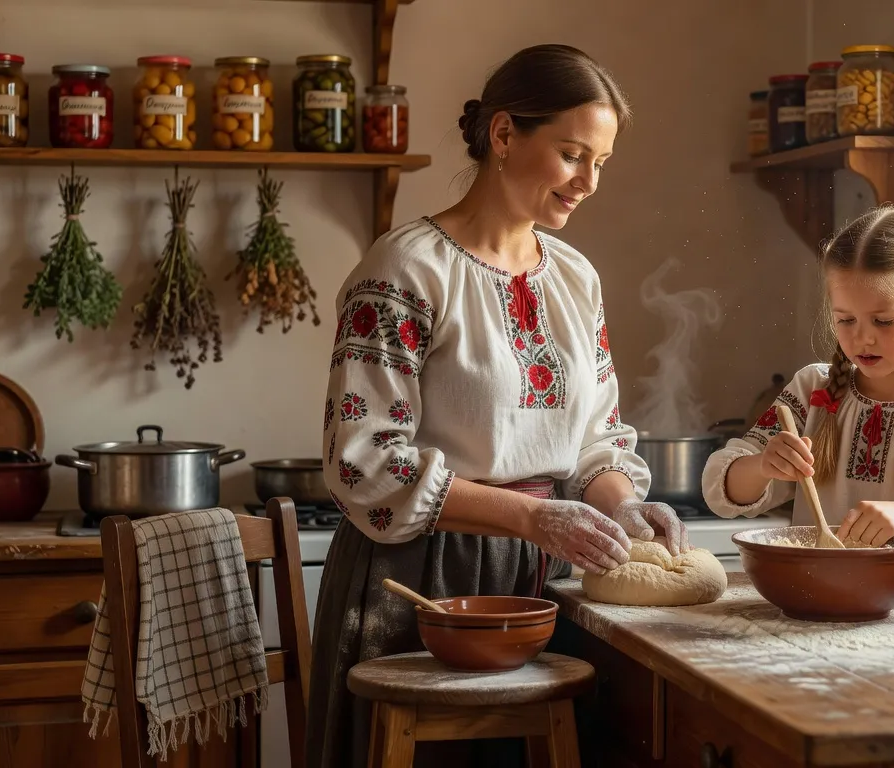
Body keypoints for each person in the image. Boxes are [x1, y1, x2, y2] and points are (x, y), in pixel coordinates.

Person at [308, 44, 690, 768]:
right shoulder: (405, 269)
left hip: (544, 578)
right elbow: (364, 463)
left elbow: (595, 437)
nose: (589, 182)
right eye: (574, 154)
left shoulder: (574, 278)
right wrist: (534, 517)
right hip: (424, 582)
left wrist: (618, 505)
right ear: (505, 135)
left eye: (601, 162)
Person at [700, 204, 894, 581]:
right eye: (845, 319)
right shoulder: (813, 391)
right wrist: (763, 466)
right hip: (812, 599)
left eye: (884, 320)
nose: (862, 337)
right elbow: (724, 490)